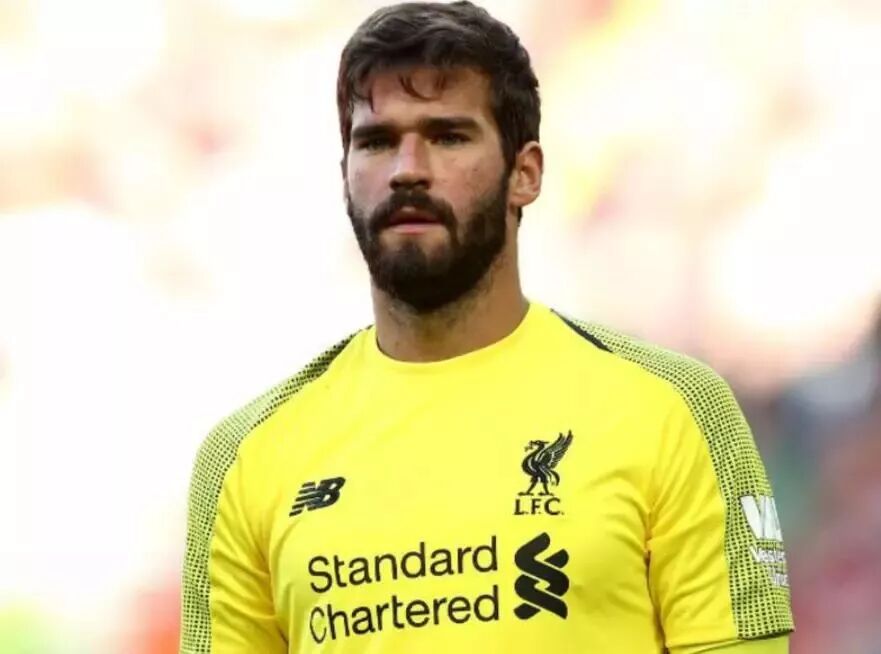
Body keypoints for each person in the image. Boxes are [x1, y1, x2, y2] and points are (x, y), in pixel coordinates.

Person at [179, 2, 794, 652]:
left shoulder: (672, 410)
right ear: (345, 174)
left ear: (524, 174)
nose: (406, 169)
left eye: (447, 136)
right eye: (377, 141)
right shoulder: (246, 459)